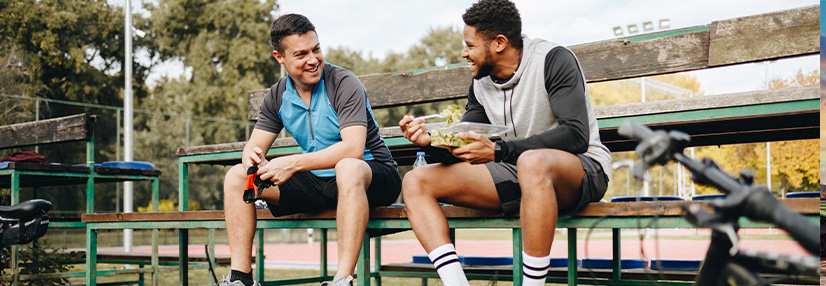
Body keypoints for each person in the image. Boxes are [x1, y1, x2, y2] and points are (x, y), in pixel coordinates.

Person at [398, 0, 611, 285]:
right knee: (416, 181)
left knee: (531, 162)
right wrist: (429, 143)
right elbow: (464, 144)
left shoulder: (553, 59)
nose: (464, 53)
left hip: (582, 170)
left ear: (499, 43)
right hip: (519, 172)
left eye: (470, 45)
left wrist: (500, 150)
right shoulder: (481, 82)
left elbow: (576, 135)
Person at [220, 13, 401, 286]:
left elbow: (353, 148)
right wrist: (253, 160)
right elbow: (253, 148)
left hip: (372, 175)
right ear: (279, 58)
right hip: (319, 183)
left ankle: (343, 280)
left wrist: (292, 163)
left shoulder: (344, 83)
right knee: (235, 176)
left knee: (348, 167)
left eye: (316, 49)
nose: (313, 59)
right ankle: (241, 279)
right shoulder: (277, 95)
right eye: (301, 54)